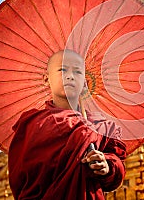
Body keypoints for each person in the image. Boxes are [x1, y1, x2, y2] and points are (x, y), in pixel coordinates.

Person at [8, 50, 127, 200]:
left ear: (84, 82)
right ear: (46, 79)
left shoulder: (100, 125)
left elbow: (118, 167)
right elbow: (22, 178)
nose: (70, 76)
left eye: (77, 72)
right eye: (62, 70)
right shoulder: (33, 124)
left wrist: (107, 166)